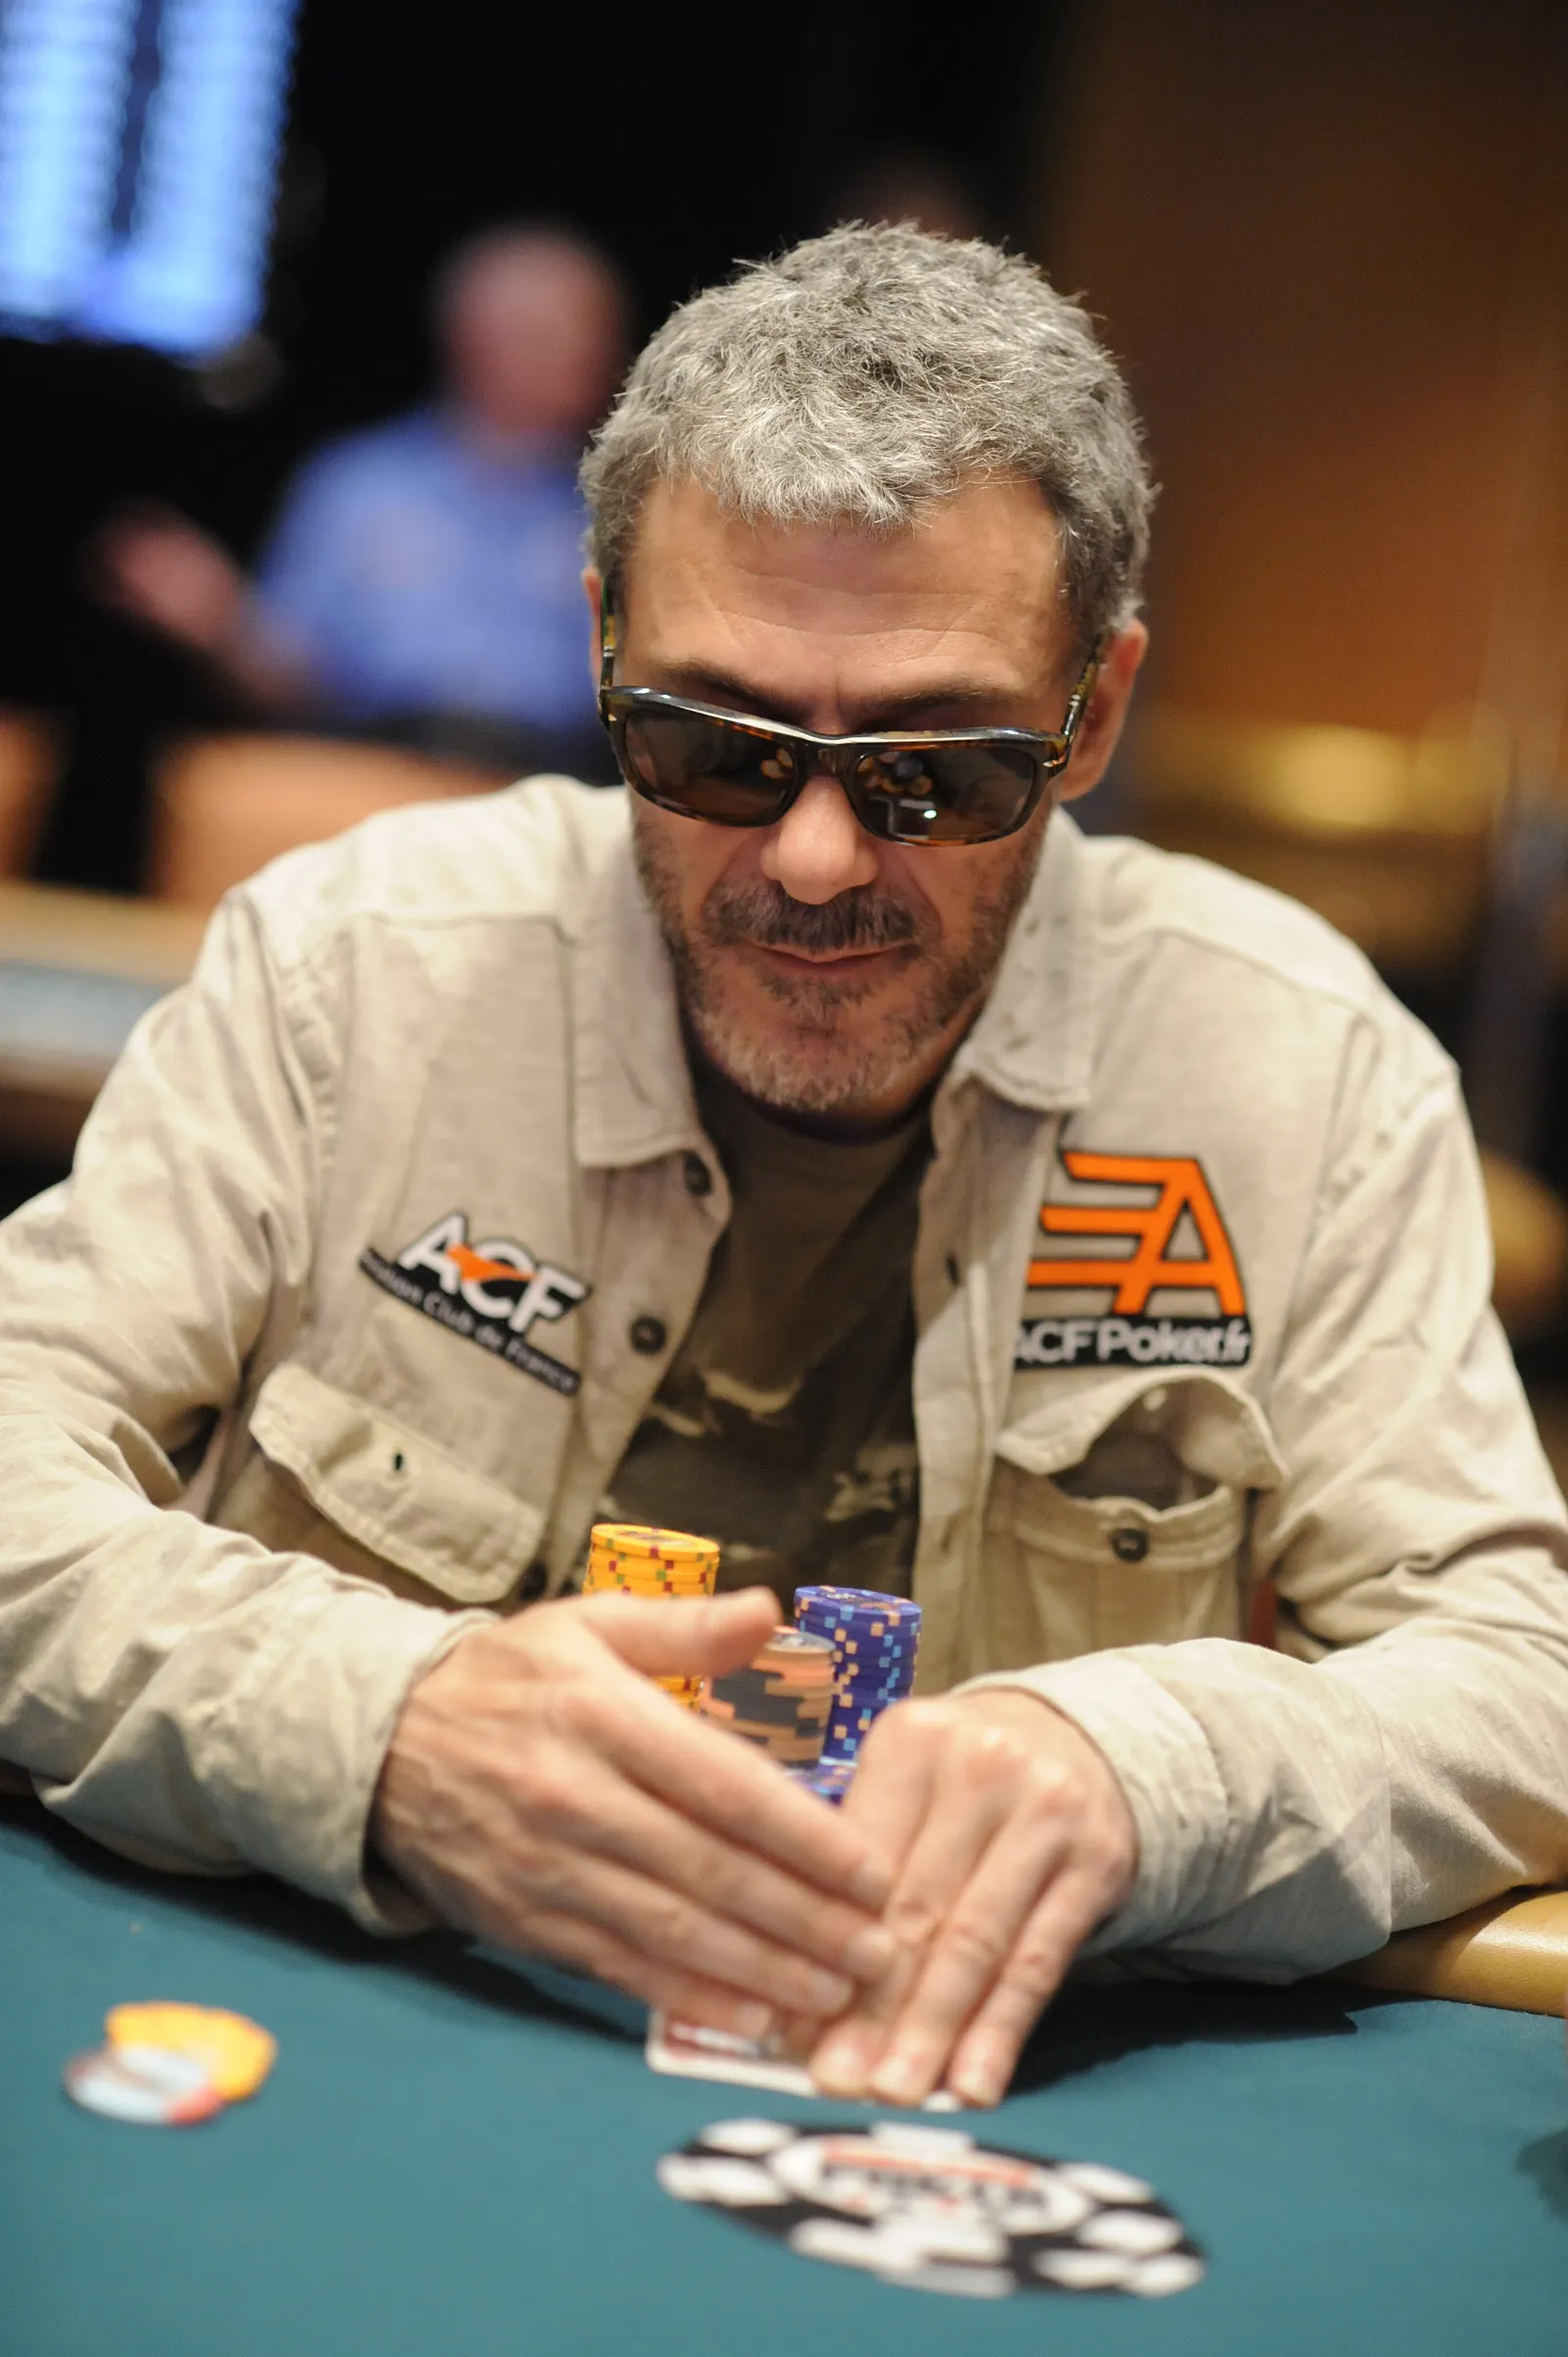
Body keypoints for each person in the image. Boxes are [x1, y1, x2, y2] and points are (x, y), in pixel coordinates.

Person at [3, 226, 1566, 2114]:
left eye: (934, 770)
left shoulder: (1303, 1071)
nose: (816, 859)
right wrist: (385, 1724)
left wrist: (1152, 1769)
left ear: (1094, 712)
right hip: (372, 2049)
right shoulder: (348, 971)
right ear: (601, 649)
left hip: (968, 2104)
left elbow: (1518, 1679)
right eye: (713, 748)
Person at [94, 223, 627, 778]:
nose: (588, 353)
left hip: (560, 786)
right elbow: (287, 685)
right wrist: (223, 622)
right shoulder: (362, 485)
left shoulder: (625, 506)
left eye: (597, 331)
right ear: (472, 339)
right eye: (550, 333)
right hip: (375, 774)